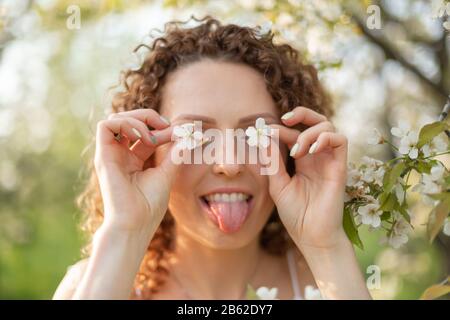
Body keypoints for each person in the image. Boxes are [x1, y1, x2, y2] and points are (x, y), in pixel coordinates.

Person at [53, 16, 371, 300]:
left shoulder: (325, 284)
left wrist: (326, 246)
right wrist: (125, 231)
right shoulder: (90, 285)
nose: (229, 165)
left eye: (253, 134)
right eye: (196, 135)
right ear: (147, 152)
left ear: (292, 151)